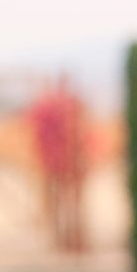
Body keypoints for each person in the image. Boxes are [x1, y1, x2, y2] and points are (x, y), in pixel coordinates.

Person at [25, 77, 89, 252]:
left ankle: (70, 239)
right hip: (60, 160)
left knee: (64, 204)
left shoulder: (55, 105)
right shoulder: (67, 104)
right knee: (65, 204)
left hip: (59, 160)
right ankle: (67, 240)